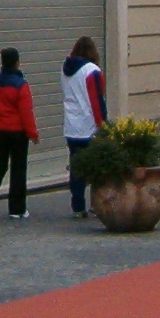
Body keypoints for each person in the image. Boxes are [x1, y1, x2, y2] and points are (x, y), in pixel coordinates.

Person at [0, 46, 39, 219]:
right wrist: (32, 133)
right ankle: (17, 209)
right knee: (18, 169)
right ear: (17, 63)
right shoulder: (21, 85)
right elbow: (26, 112)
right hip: (17, 133)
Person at [61, 35, 109, 218]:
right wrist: (103, 124)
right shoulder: (92, 71)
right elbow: (96, 100)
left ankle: (77, 206)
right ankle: (97, 203)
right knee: (98, 167)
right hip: (89, 126)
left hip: (71, 126)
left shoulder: (65, 70)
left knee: (76, 168)